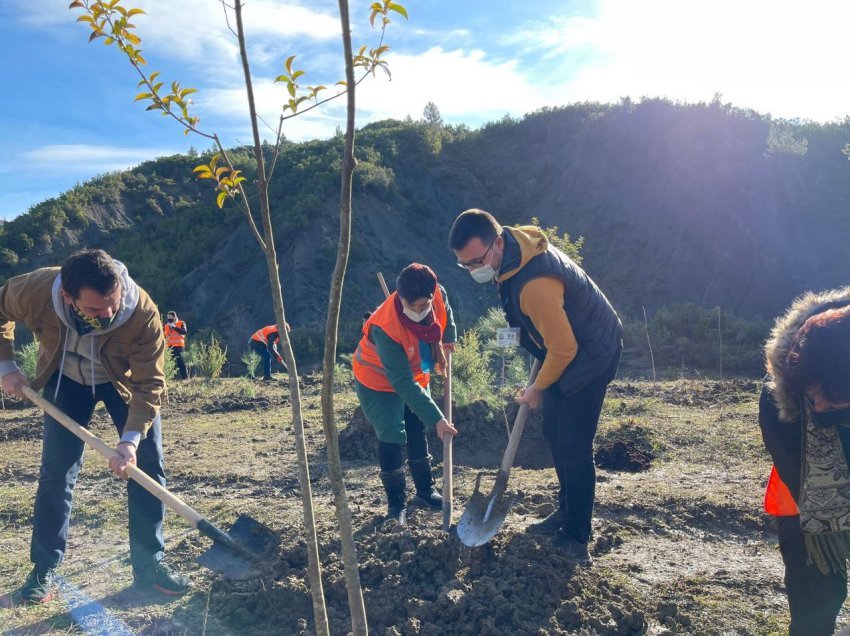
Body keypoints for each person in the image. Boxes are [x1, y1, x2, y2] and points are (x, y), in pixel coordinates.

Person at [0, 249, 190, 604]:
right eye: (93, 310)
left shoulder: (142, 312)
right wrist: (6, 365)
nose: (107, 315)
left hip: (125, 385)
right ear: (66, 297)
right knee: (57, 473)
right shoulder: (37, 289)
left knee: (148, 466)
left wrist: (130, 441)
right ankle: (44, 569)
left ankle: (150, 566)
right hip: (65, 380)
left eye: (112, 306)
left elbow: (150, 385)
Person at [449, 209, 622, 564]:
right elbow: (550, 337)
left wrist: (538, 388)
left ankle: (576, 536)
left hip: (591, 354)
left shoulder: (534, 284)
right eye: (465, 265)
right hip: (563, 349)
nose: (473, 270)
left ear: (497, 243)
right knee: (554, 432)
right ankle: (565, 511)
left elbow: (565, 348)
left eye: (476, 261)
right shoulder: (510, 256)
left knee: (573, 444)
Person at [759, 288, 850, 635]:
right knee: (816, 594)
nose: (822, 407)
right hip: (808, 495)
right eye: (816, 400)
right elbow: (800, 478)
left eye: (835, 402)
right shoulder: (780, 395)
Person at [352, 263, 458, 524]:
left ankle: (424, 491)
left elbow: (447, 313)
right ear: (400, 298)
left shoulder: (438, 294)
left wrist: (449, 338)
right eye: (412, 306)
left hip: (415, 370)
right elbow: (401, 383)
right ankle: (396, 505)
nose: (418, 312)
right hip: (377, 379)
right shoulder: (384, 327)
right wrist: (439, 420)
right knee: (392, 434)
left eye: (424, 306)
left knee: (415, 425)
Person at [163, 311, 189, 380]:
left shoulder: (181, 323)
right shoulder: (166, 326)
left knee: (181, 363)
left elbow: (184, 331)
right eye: (168, 318)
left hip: (179, 346)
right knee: (168, 363)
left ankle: (185, 378)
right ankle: (169, 379)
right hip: (169, 347)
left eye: (170, 317)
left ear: (174, 317)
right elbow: (165, 336)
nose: (169, 319)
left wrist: (174, 327)